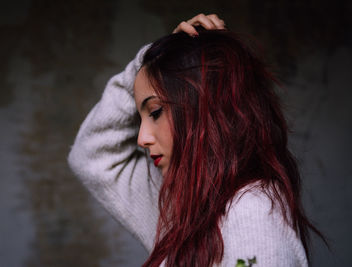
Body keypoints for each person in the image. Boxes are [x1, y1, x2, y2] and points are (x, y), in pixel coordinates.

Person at [68, 14, 323, 266]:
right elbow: (92, 156)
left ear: (204, 108)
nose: (142, 138)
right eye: (141, 116)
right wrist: (146, 65)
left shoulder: (251, 215)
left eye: (155, 112)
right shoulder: (180, 203)